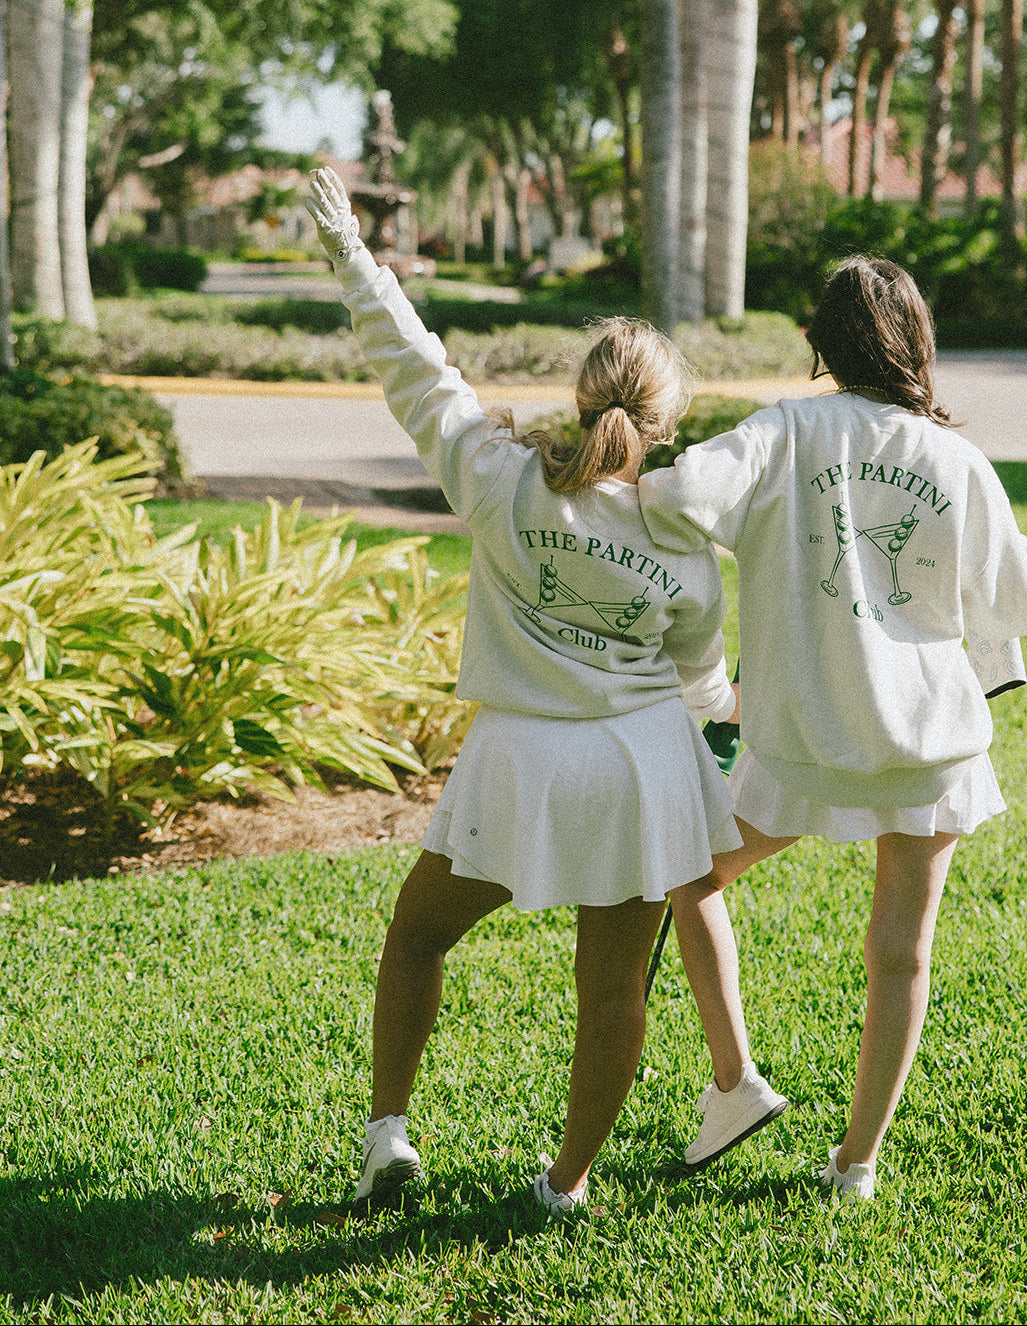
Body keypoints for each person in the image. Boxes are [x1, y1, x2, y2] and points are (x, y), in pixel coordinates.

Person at [305, 167, 754, 1217]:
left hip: (517, 760)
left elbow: (415, 369)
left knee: (419, 935)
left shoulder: (500, 476)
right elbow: (702, 687)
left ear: (581, 391)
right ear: (666, 422)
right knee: (611, 991)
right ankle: (566, 1185)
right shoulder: (684, 548)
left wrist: (354, 257)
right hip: (639, 769)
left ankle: (388, 1136)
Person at [642, 256, 1027, 1200]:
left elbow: (673, 497)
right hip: (930, 748)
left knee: (689, 873)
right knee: (902, 952)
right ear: (918, 341)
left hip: (805, 739)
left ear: (822, 344)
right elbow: (1025, 603)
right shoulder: (955, 459)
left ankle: (735, 1080)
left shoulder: (785, 432)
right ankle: (855, 1164)